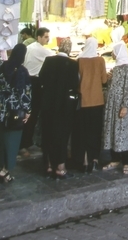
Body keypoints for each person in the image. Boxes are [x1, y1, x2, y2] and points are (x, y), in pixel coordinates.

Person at [38, 37, 79, 179]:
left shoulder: (49, 60)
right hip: (64, 106)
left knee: (48, 133)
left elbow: (41, 78)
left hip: (48, 104)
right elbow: (74, 84)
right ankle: (60, 167)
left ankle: (49, 165)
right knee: (62, 136)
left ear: (59, 47)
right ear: (69, 50)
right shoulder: (73, 64)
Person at [0, 43, 32, 184]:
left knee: (1, 140)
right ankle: (5, 170)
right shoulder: (22, 71)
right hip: (14, 110)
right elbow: (25, 93)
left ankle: (2, 167)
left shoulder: (1, 66)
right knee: (12, 141)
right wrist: (27, 111)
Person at [102, 42, 128, 174]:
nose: (112, 54)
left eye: (114, 51)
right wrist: (109, 78)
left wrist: (125, 106)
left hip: (121, 105)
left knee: (122, 131)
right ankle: (114, 159)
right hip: (112, 105)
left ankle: (126, 161)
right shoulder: (115, 68)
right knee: (113, 130)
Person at [21, 27, 55, 153]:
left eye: (48, 37)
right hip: (34, 82)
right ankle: (25, 143)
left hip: (26, 81)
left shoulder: (30, 47)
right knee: (33, 113)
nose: (48, 39)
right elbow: (55, 57)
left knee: (28, 112)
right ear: (38, 37)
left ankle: (26, 142)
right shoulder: (41, 50)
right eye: (45, 37)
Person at [76, 36, 107, 173]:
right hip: (97, 101)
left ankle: (84, 161)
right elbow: (104, 80)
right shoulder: (100, 60)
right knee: (95, 131)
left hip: (83, 101)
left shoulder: (79, 61)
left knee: (83, 131)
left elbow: (76, 80)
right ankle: (94, 160)